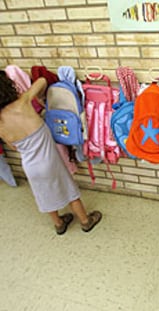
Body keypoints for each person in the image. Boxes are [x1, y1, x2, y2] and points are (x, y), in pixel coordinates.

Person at [0, 70, 102, 235]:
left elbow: (13, 147)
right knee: (69, 190)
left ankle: (59, 224)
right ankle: (85, 220)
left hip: (30, 166)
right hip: (50, 161)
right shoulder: (23, 102)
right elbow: (41, 80)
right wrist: (32, 94)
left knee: (43, 194)